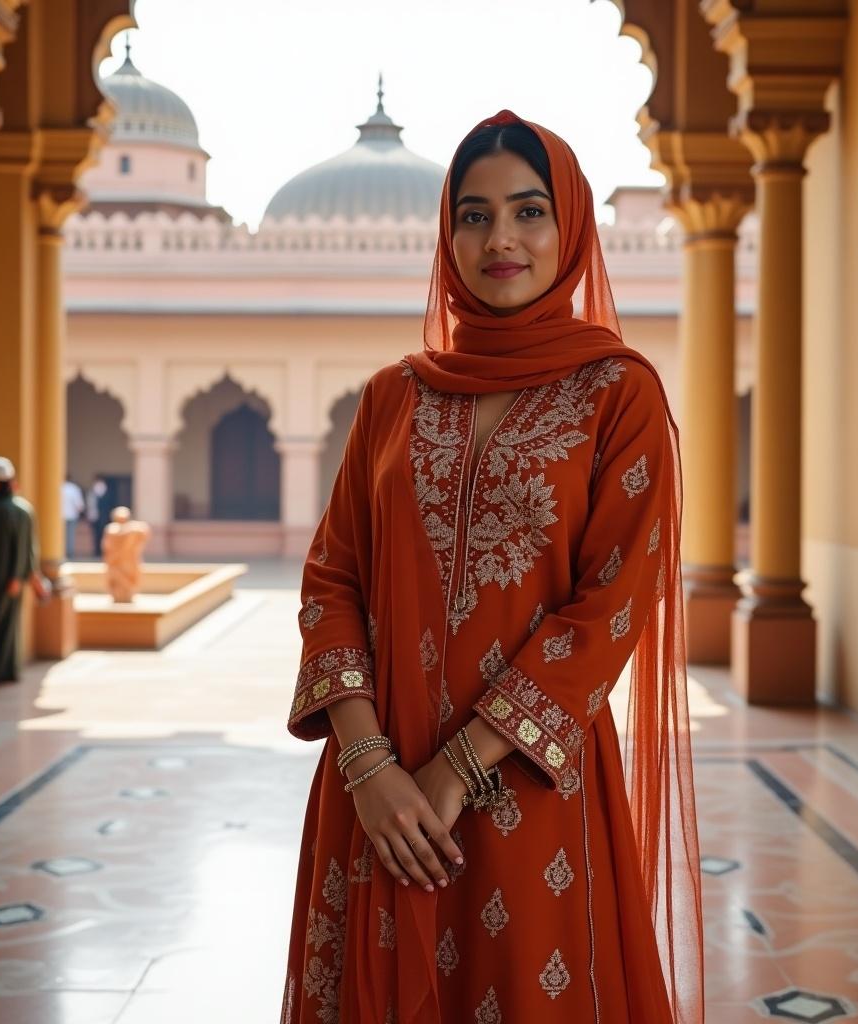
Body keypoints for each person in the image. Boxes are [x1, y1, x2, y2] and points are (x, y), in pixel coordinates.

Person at [280, 110, 703, 1024]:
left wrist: (451, 771)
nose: (500, 238)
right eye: (472, 216)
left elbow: (610, 608)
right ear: (447, 235)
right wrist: (370, 765)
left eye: (528, 211)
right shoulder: (396, 393)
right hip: (375, 794)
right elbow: (333, 577)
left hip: (524, 792)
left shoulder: (617, 395)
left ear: (572, 227)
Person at [0, 457, 51, 682]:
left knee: (2, 626)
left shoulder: (14, 510)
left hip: (4, 580)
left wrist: (17, 576)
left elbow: (25, 548)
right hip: (0, 579)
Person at [61, 474, 85, 559]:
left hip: (59, 516)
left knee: (60, 535)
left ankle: (60, 552)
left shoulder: (58, 487)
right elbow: (80, 505)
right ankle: (70, 553)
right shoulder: (74, 489)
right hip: (72, 515)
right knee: (70, 535)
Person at [86, 474, 109, 556]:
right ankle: (98, 551)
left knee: (101, 535)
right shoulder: (93, 491)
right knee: (97, 535)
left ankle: (101, 551)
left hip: (101, 516)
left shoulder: (100, 490)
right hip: (97, 516)